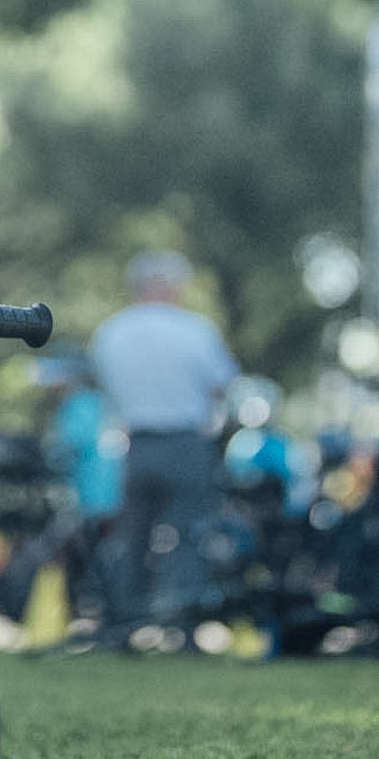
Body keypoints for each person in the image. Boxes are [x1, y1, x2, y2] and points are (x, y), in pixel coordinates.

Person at [89, 249, 240, 645]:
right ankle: (183, 626)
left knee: (132, 538)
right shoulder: (195, 331)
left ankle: (123, 624)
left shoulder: (111, 332)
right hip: (185, 443)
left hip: (136, 445)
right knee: (188, 535)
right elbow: (223, 385)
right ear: (171, 285)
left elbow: (107, 385)